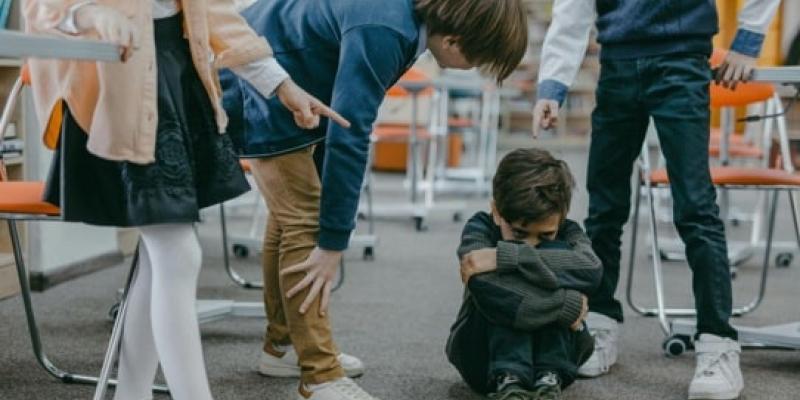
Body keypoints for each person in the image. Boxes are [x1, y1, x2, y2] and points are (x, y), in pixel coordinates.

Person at [23, 1, 343, 399]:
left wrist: (282, 86)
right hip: (120, 81)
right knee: (176, 254)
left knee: (160, 260)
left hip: (174, 71)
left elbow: (214, 13)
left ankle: (131, 394)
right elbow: (42, 7)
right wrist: (89, 14)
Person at [221, 0, 529, 399]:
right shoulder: (386, 28)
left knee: (289, 219)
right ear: (454, 41)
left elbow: (344, 121)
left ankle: (282, 347)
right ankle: (319, 374)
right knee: (305, 223)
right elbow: (352, 131)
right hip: (262, 83)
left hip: (285, 79)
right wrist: (334, 239)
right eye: (480, 60)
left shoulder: (405, 21)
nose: (477, 70)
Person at [532, 1, 781, 399]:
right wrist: (553, 84)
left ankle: (718, 343)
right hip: (617, 66)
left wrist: (748, 40)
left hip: (681, 62)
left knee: (695, 209)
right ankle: (599, 323)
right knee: (604, 209)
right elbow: (572, 7)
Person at [446, 148, 601, 400]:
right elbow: (484, 284)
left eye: (544, 235)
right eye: (519, 234)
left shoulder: (568, 231)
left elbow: (591, 269)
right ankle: (510, 377)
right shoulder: (479, 227)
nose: (531, 244)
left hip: (558, 362)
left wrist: (508, 256)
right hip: (483, 358)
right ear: (496, 211)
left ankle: (547, 375)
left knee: (561, 255)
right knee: (502, 291)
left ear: (561, 218)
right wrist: (566, 305)